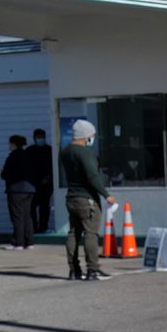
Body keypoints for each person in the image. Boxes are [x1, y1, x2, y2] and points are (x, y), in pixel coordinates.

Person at [61, 119, 116, 281]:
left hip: (71, 197)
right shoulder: (84, 152)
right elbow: (93, 176)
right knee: (90, 233)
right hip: (87, 199)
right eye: (92, 135)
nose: (93, 138)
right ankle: (92, 269)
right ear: (85, 135)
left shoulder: (65, 152)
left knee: (73, 233)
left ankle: (74, 270)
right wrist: (106, 195)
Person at [0, 134, 37, 250]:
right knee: (27, 215)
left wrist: (3, 174)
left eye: (10, 144)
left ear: (13, 144)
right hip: (30, 189)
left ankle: (18, 242)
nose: (9, 146)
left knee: (17, 216)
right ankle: (29, 241)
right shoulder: (30, 155)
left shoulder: (12, 157)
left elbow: (5, 174)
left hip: (16, 190)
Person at [26, 128, 54, 232]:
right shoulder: (29, 151)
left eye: (42, 137)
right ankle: (33, 227)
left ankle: (43, 227)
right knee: (32, 207)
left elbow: (52, 167)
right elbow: (28, 168)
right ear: (34, 138)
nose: (40, 139)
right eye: (38, 137)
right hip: (33, 184)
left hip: (46, 185)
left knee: (44, 207)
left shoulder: (50, 150)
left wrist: (48, 178)